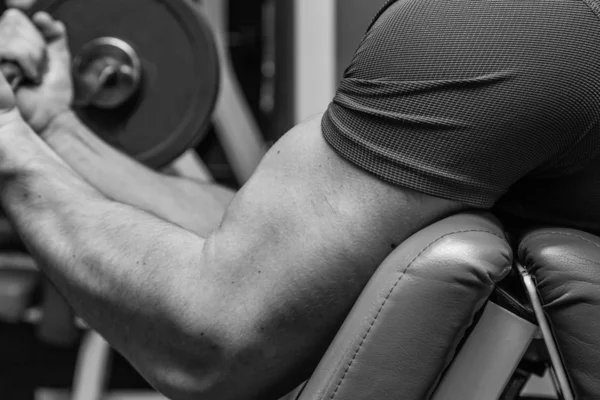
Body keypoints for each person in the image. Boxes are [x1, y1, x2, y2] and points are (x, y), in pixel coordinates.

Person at [0, 0, 599, 398]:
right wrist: (51, 127)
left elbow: (209, 341)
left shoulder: (514, 26)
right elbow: (280, 251)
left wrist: (8, 150)